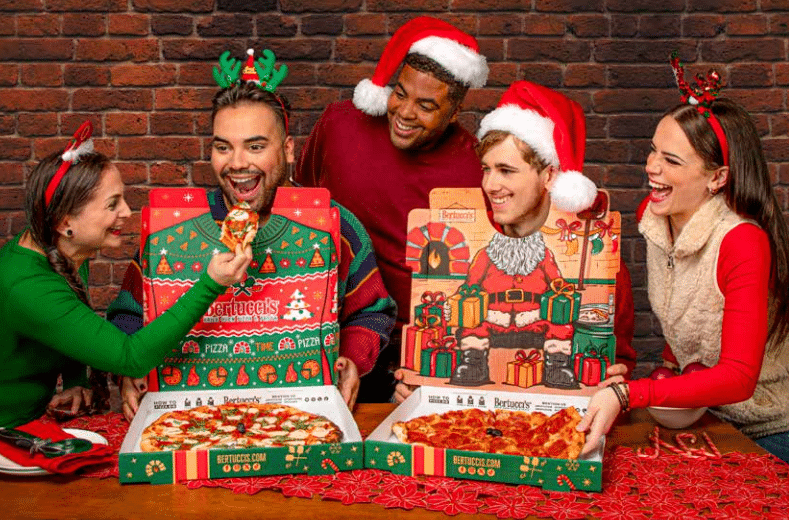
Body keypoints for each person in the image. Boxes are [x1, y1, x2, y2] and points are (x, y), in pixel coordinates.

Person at [109, 49, 396, 419]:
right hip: (193, 420)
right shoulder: (171, 229)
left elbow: (372, 312)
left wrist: (352, 359)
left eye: (256, 146)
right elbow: (127, 316)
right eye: (222, 147)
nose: (238, 163)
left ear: (288, 150)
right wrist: (129, 373)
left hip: (301, 418)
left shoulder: (334, 225)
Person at [578, 54, 789, 462]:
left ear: (717, 177)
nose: (651, 167)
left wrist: (628, 393)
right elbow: (692, 311)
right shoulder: (654, 218)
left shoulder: (743, 241)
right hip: (704, 414)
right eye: (653, 151)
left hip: (769, 426)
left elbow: (739, 379)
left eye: (671, 161)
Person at [0, 121, 251, 429]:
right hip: (9, 431)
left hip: (31, 424)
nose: (127, 212)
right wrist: (212, 284)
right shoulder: (29, 286)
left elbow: (68, 320)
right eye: (112, 205)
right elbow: (132, 357)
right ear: (66, 221)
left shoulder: (61, 246)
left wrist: (77, 379)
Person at [395, 81, 635, 400]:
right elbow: (467, 293)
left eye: (506, 171)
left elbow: (620, 361)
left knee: (560, 314)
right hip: (487, 353)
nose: (490, 184)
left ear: (548, 176)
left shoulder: (607, 267)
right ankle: (473, 363)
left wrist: (617, 380)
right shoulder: (485, 252)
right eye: (486, 169)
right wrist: (420, 390)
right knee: (470, 310)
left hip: (542, 350)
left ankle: (558, 365)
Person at [295, 16, 491, 402]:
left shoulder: (475, 167)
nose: (404, 112)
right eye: (399, 93)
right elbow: (302, 210)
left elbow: (485, 271)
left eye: (426, 105)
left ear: (454, 112)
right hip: (335, 338)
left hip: (423, 353)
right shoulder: (339, 126)